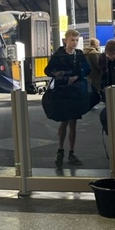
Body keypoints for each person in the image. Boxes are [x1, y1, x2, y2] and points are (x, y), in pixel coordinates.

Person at [44, 29, 90, 168]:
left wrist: (76, 77)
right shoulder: (59, 55)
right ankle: (62, 150)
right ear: (66, 40)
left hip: (74, 91)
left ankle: (69, 151)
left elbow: (87, 69)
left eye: (76, 40)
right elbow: (48, 70)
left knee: (72, 122)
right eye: (72, 40)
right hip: (63, 91)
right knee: (65, 121)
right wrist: (63, 76)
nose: (74, 43)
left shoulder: (78, 54)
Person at [84, 38, 102, 109]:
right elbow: (97, 64)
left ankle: (90, 104)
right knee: (95, 89)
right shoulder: (94, 52)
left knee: (89, 89)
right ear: (95, 44)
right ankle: (93, 103)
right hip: (95, 74)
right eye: (98, 43)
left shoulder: (85, 51)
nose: (99, 45)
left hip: (88, 74)